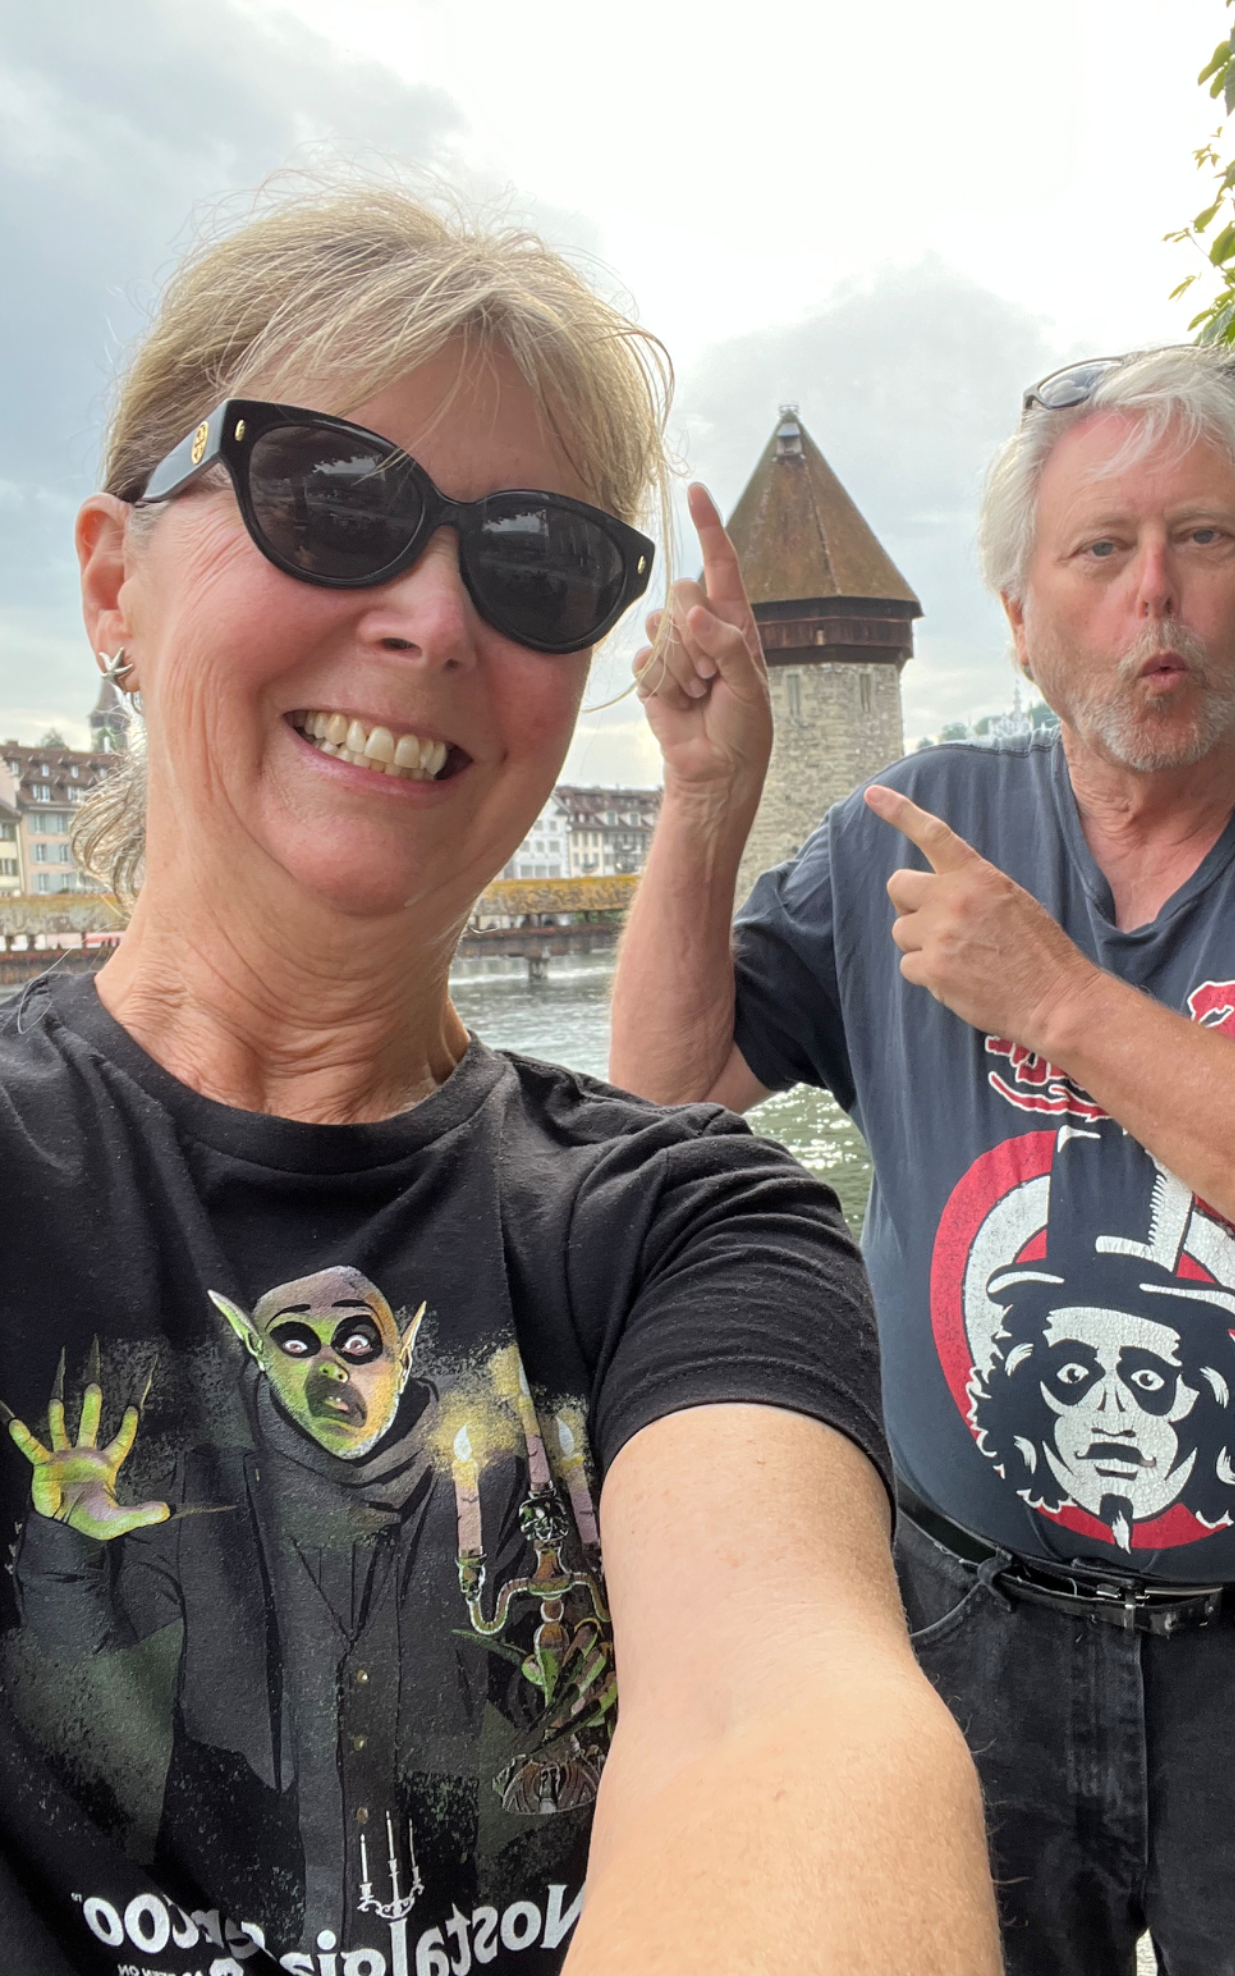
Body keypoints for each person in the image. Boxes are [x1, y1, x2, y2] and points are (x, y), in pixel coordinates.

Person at [0, 183, 997, 1976]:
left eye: (536, 561)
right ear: (110, 583)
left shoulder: (694, 1230)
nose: (436, 616)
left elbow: (784, 1729)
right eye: (327, 498)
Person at [609, 343, 1235, 1976]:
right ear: (1018, 613)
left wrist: (1062, 1004)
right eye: (1099, 549)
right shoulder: (906, 829)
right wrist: (707, 795)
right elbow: (663, 1089)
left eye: (1207, 539)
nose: (1156, 594)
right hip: (963, 1636)